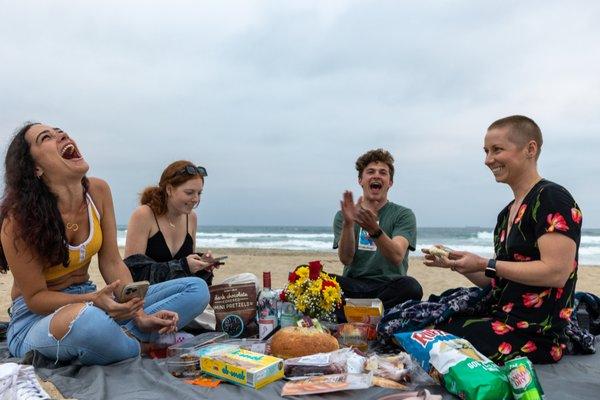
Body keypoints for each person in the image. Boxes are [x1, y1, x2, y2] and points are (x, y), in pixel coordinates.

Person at [0, 123, 210, 365]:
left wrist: (139, 313)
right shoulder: (17, 219)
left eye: (59, 131)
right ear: (35, 167)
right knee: (87, 322)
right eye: (46, 137)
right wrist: (92, 301)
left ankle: (119, 335)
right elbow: (36, 298)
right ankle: (138, 345)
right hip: (37, 319)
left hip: (94, 302)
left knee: (196, 289)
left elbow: (112, 262)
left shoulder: (98, 191)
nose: (61, 135)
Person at [423, 115, 582, 364]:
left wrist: (486, 263)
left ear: (530, 149)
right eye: (486, 151)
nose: (488, 160)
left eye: (497, 150)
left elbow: (556, 273)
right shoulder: (507, 212)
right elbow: (498, 280)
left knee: (435, 338)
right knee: (429, 317)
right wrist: (460, 264)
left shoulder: (552, 198)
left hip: (536, 335)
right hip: (501, 318)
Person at [333, 149, 423, 313]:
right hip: (353, 286)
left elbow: (396, 256)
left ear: (390, 182)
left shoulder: (403, 214)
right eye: (370, 172)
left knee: (412, 287)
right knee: (308, 275)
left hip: (389, 286)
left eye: (383, 173)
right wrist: (348, 224)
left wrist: (374, 230)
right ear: (360, 180)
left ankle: (353, 313)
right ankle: (371, 313)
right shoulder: (344, 214)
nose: (377, 176)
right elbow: (346, 259)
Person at [124, 160, 217, 285]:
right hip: (149, 295)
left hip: (182, 291)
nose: (196, 199)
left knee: (248, 279)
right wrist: (183, 265)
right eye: (189, 193)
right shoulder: (144, 215)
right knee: (199, 288)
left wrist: (202, 266)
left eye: (199, 193)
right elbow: (132, 273)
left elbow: (185, 274)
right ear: (169, 189)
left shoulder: (191, 218)